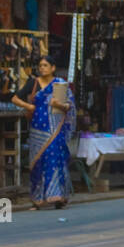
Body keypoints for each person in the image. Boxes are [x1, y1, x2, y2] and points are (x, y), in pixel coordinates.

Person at [11, 55, 75, 209]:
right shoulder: (33, 83)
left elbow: (69, 107)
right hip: (37, 129)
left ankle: (57, 196)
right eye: (40, 65)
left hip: (55, 129)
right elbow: (14, 99)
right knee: (37, 162)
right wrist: (29, 107)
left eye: (45, 65)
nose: (42, 68)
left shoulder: (60, 85)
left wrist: (58, 104)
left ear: (53, 68)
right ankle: (38, 199)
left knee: (54, 160)